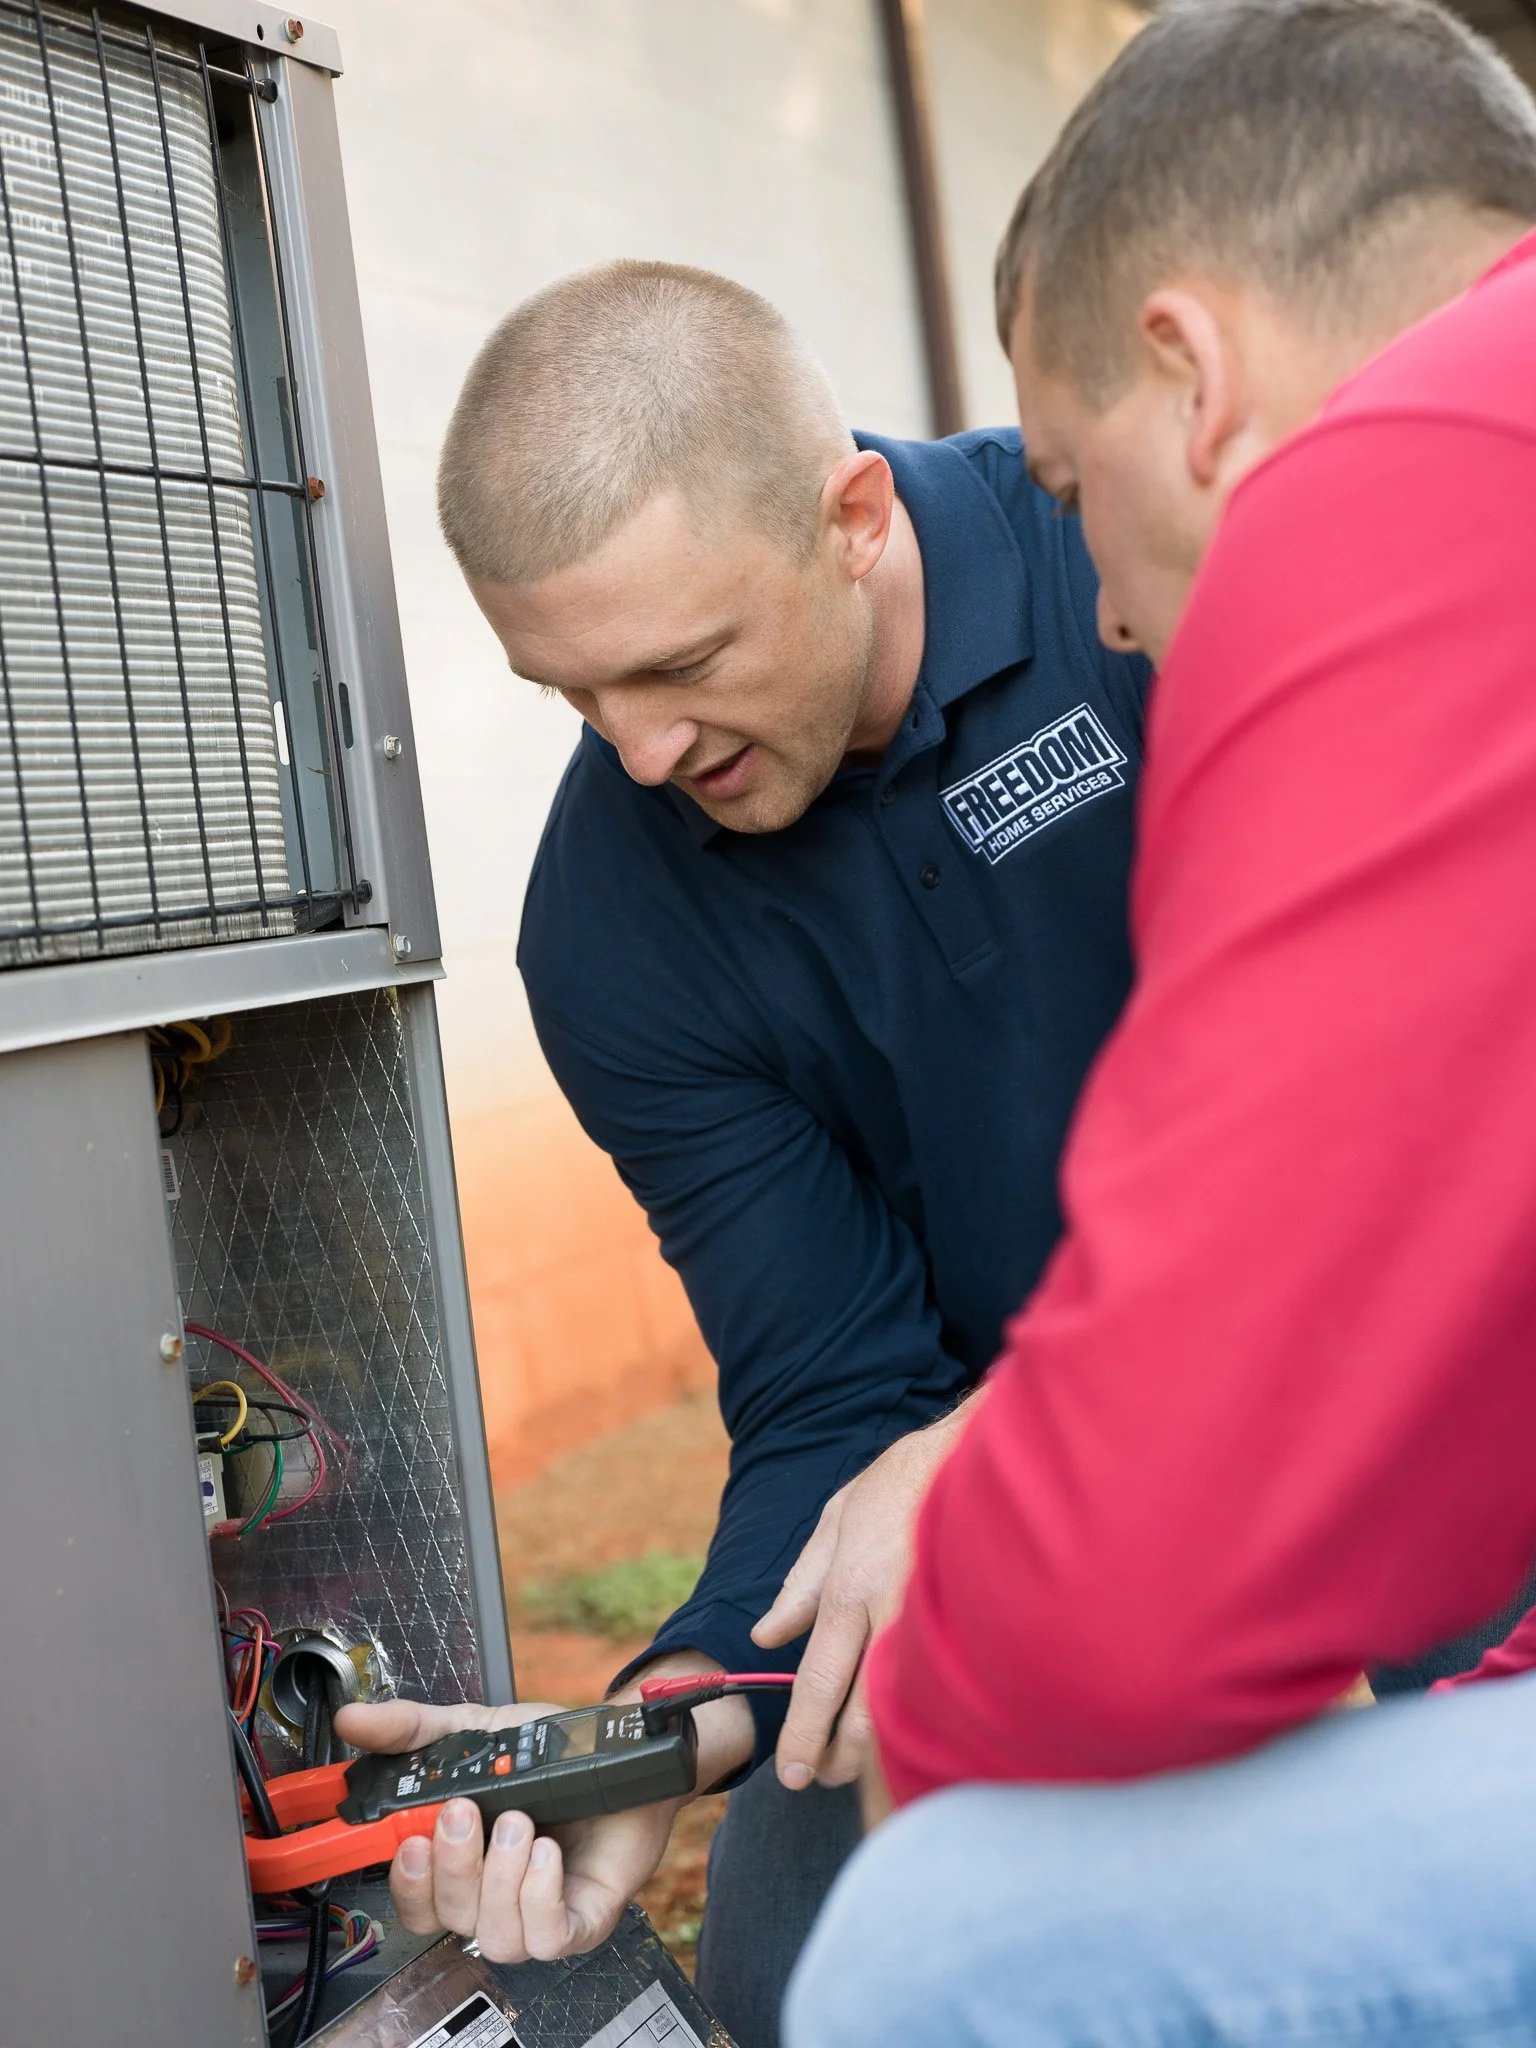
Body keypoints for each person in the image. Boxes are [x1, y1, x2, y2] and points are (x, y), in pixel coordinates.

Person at [781, 3, 1536, 2042]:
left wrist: (926, 1746)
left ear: (1192, 379)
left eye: (1069, 477)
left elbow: (1176, 1527)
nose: (1106, 602)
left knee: (952, 1945)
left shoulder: (1399, 474)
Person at [336, 261, 1150, 2044]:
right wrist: (666, 1724)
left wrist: (1040, 1426)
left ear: (853, 516)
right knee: (799, 1949)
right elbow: (832, 1385)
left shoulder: (1141, 574)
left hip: (1375, 1403)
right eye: (573, 698)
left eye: (683, 665)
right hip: (999, 1522)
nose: (640, 754)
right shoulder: (608, 927)